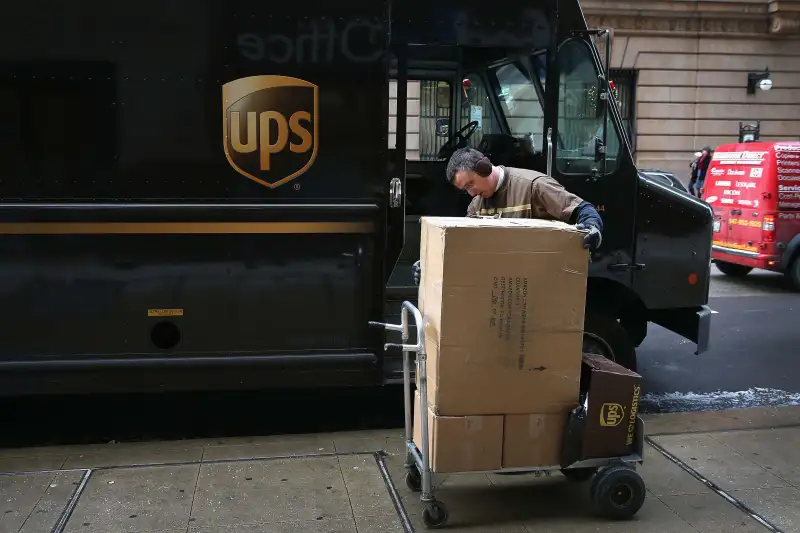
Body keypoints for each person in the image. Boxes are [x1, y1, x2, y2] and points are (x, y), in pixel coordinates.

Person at [412, 147, 604, 285]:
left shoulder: (533, 186)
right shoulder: (476, 205)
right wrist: (430, 265)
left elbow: (582, 209)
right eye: (465, 190)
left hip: (541, 282)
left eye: (470, 184)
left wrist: (593, 227)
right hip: (501, 287)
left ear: (484, 168)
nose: (471, 193)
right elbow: (464, 247)